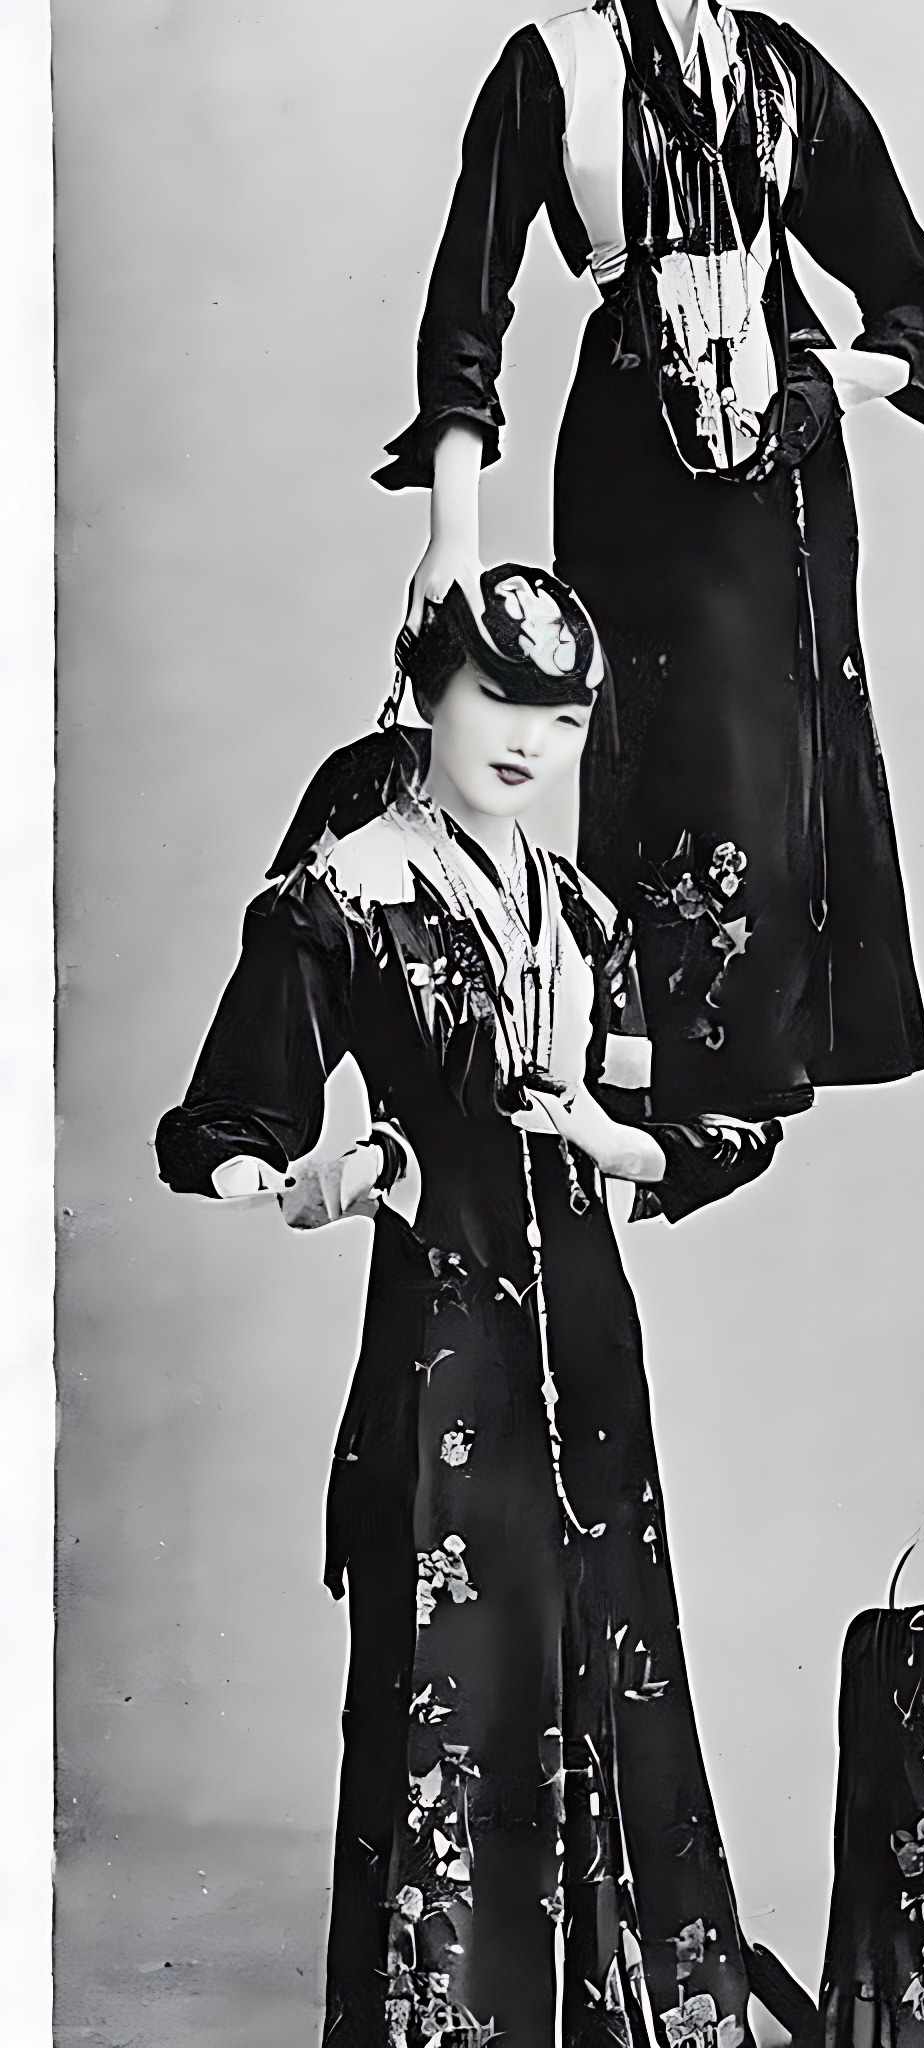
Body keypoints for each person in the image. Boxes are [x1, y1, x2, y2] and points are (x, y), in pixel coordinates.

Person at [157, 566, 786, 2048]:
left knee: (614, 1678)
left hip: (594, 1361)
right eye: (499, 699)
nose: (525, 739)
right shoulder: (349, 894)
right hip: (444, 1365)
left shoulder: (585, 916)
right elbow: (226, 1125)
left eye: (558, 716)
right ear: (426, 692)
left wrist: (621, 1144)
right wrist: (329, 1175)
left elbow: (698, 1124)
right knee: (456, 1692)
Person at [381, 0, 924, 1126]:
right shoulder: (554, 66)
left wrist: (839, 381)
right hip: (631, 459)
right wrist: (450, 528)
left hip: (782, 469)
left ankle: (750, 1075)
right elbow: (466, 302)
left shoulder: (780, 71)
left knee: (773, 749)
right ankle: (665, 1080)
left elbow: (907, 290)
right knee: (663, 747)